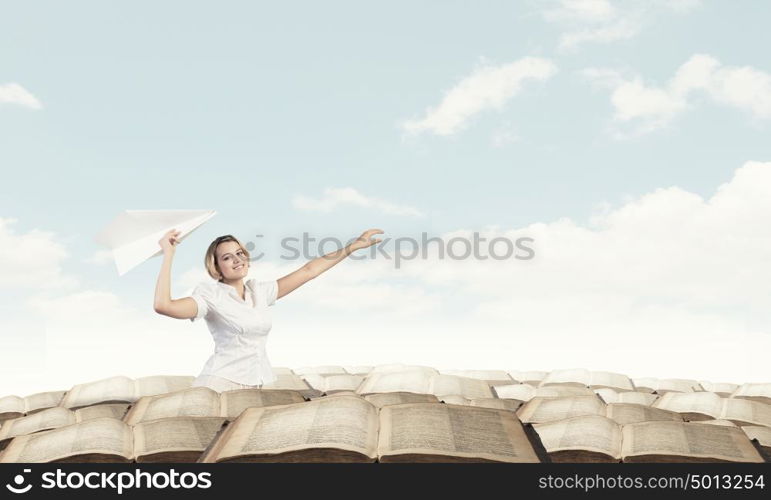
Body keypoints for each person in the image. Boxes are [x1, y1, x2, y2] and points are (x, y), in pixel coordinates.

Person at [153, 228, 383, 392]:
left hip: (258, 383)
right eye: (227, 257)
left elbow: (309, 271)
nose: (236, 259)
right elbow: (164, 306)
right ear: (216, 267)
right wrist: (169, 255)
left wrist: (352, 247)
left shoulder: (260, 291)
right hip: (221, 385)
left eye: (239, 253)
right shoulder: (210, 295)